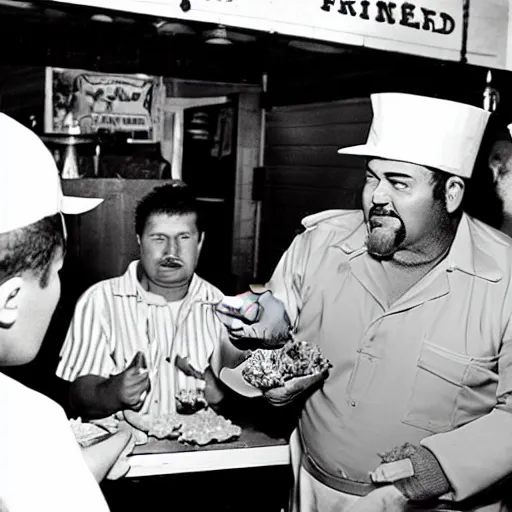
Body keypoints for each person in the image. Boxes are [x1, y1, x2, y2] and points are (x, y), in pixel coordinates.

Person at [216, 93, 512, 512]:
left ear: (450, 193)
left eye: (399, 182)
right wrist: (256, 335)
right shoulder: (320, 245)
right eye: (372, 177)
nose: (376, 196)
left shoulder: (506, 280)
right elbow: (262, 330)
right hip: (313, 492)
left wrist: (440, 469)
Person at [0, 113, 133, 511]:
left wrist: (112, 443)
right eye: (57, 272)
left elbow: (31, 483)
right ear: (9, 300)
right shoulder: (27, 422)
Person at [56, 183, 241, 420]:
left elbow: (248, 403)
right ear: (139, 241)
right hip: (124, 452)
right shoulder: (100, 301)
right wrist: (112, 392)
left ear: (200, 242)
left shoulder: (222, 308)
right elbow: (77, 396)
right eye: (158, 238)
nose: (171, 251)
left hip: (199, 452)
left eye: (183, 237)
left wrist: (224, 396)